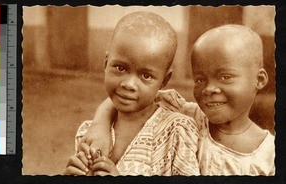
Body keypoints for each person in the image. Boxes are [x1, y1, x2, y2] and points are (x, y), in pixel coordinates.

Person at [79, 24, 275, 176]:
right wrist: (99, 126)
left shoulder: (270, 155)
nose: (209, 89)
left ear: (259, 80)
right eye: (200, 79)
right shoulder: (191, 115)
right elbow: (127, 99)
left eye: (225, 77)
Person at [64, 11, 200, 176]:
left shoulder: (177, 131)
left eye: (146, 76)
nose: (128, 84)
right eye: (120, 68)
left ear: (164, 81)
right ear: (106, 64)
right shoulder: (89, 133)